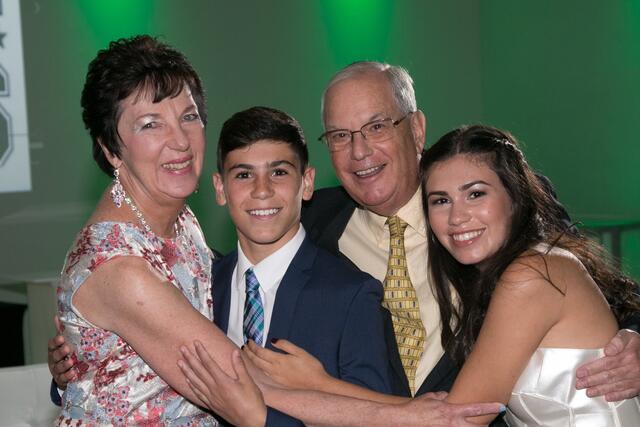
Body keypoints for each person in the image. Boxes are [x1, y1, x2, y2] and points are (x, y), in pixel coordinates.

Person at [48, 35, 504, 426]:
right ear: (111, 148)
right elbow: (239, 378)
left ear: (305, 182)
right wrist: (408, 416)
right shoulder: (123, 266)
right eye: (151, 125)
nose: (181, 141)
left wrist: (92, 354)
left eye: (188, 117)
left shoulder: (182, 224)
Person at [300, 61, 640, 401]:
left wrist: (635, 342)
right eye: (340, 136)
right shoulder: (312, 222)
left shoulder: (499, 210)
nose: (359, 151)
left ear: (416, 129)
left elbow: (602, 293)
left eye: (376, 127)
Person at [420, 125, 640, 425]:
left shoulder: (533, 275)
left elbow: (461, 418)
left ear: (515, 197)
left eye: (475, 194)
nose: (457, 217)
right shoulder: (506, 273)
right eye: (441, 200)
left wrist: (334, 397)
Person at [210, 106, 401, 425]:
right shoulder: (203, 284)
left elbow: (375, 421)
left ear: (307, 182)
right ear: (220, 188)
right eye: (244, 175)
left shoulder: (351, 294)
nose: (262, 190)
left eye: (279, 172)